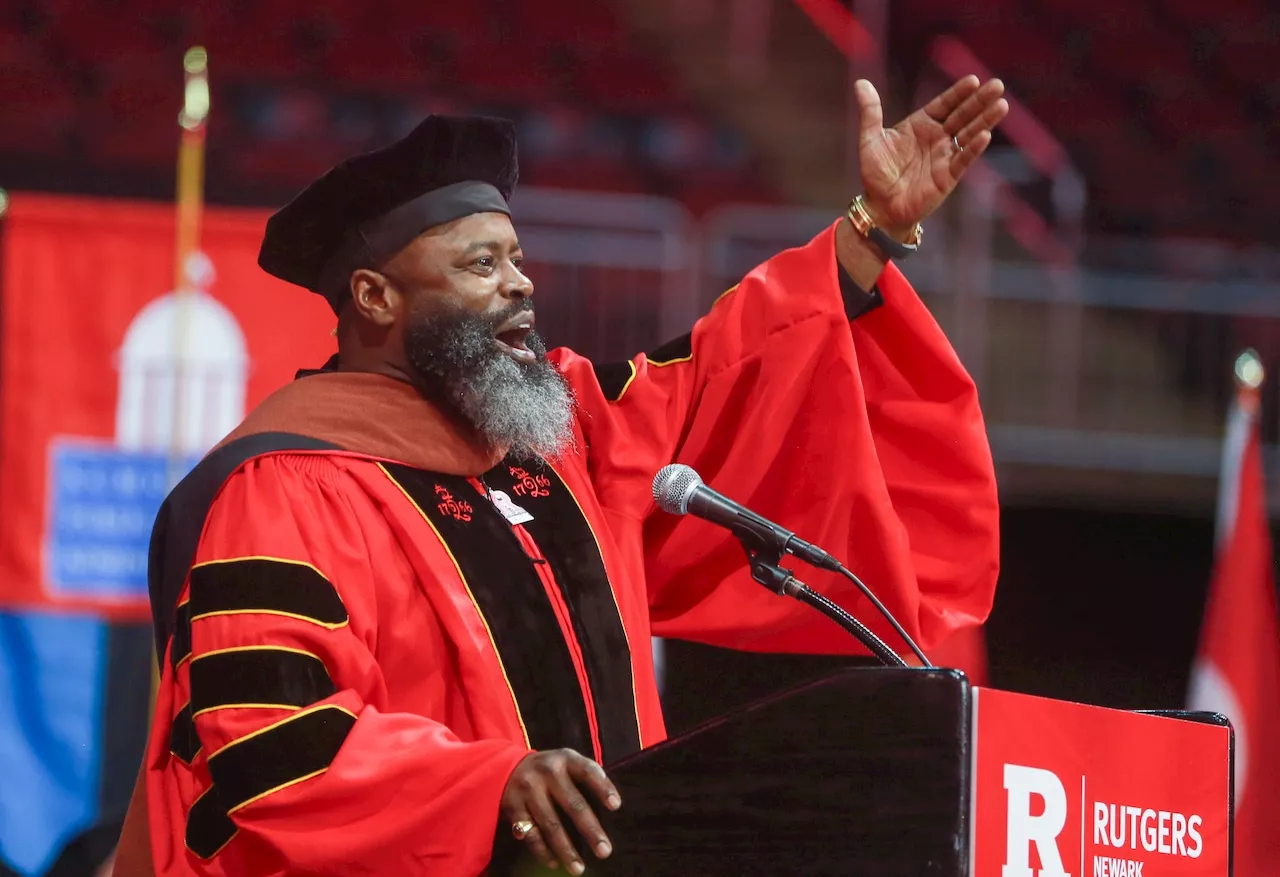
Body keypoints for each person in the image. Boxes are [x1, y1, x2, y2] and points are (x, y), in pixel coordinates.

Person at [114, 75, 1007, 877]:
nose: (520, 286)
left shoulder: (562, 439)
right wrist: (487, 786)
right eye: (480, 263)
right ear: (375, 298)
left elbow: (729, 373)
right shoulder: (285, 486)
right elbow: (271, 746)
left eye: (518, 259)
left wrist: (870, 233)